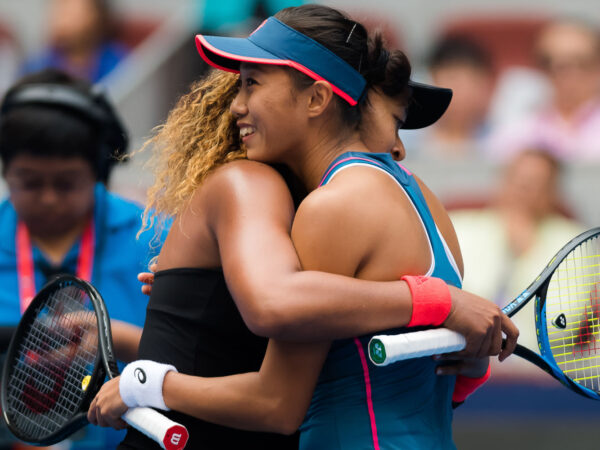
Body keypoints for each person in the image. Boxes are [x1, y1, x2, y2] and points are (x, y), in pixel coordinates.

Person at [89, 5, 518, 449]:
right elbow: (439, 379)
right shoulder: (426, 201)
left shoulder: (332, 208)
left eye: (252, 84)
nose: (236, 104)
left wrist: (147, 384)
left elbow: (276, 400)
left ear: (316, 99)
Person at [0, 69, 161, 449]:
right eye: (30, 182)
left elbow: (204, 359)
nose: (49, 198)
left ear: (101, 173)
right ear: (6, 172)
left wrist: (119, 341)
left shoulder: (157, 239)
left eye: (67, 183)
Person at [449, 149, 584, 380]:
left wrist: (526, 253)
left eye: (536, 184)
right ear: (502, 181)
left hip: (539, 373)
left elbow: (564, 323)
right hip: (464, 360)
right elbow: (450, 299)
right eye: (518, 181)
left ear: (553, 193)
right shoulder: (458, 228)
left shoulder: (575, 243)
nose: (523, 192)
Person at [485, 17, 600, 162]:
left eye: (581, 63)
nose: (569, 74)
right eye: (555, 64)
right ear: (541, 69)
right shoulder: (517, 131)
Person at [405, 36, 495, 162]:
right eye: (452, 81)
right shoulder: (406, 144)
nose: (460, 95)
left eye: (469, 84)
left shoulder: (501, 143)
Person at [21, 0, 128, 83]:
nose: (60, 16)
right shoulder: (37, 67)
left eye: (68, 9)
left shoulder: (117, 65)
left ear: (96, 14)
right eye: (58, 7)